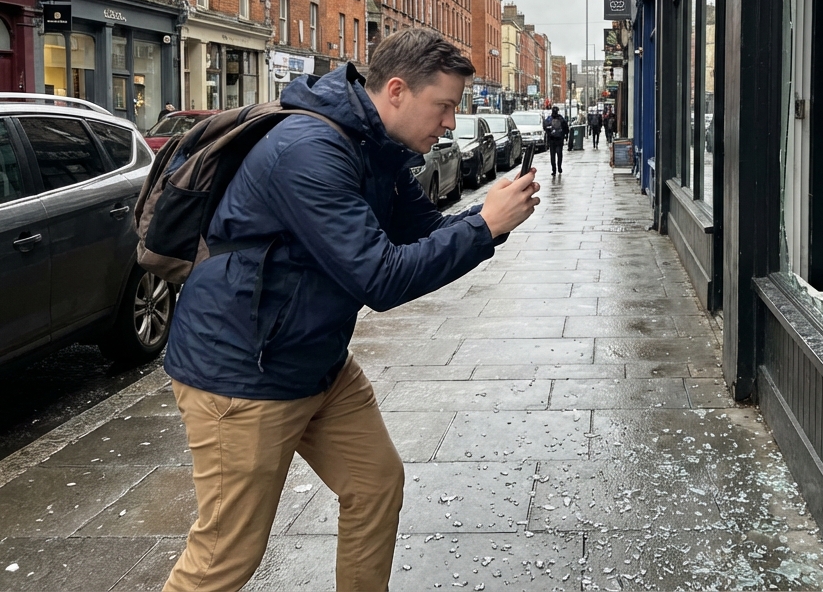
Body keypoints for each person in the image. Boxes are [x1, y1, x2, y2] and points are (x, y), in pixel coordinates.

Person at [161, 30, 539, 592]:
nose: (450, 124)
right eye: (445, 106)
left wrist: (488, 219)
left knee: (374, 484)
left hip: (315, 360)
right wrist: (485, 225)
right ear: (395, 91)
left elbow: (427, 233)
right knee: (225, 558)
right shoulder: (309, 152)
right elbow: (380, 277)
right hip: (243, 372)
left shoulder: (374, 150)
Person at [543, 105, 567, 176]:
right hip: (559, 140)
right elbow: (566, 127)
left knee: (552, 155)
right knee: (559, 154)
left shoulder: (549, 119)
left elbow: (545, 127)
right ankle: (559, 167)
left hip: (552, 140)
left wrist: (549, 134)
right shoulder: (561, 118)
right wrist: (565, 135)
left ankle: (554, 170)